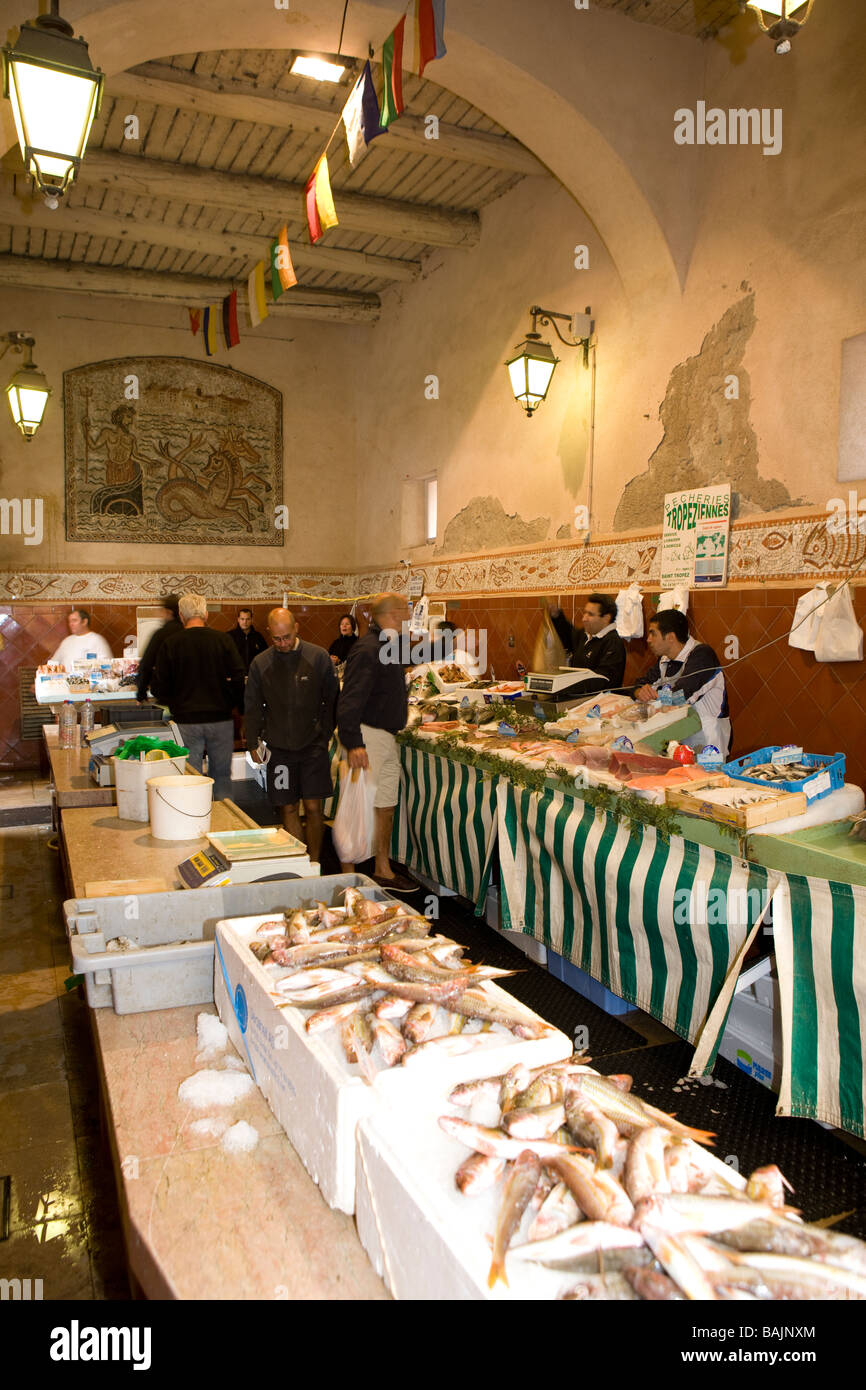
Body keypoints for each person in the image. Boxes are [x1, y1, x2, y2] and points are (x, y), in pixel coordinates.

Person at [337, 592, 418, 893]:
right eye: (406, 610)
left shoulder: (389, 645)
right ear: (392, 614)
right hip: (367, 736)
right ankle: (347, 878)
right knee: (355, 806)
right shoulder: (368, 649)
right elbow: (349, 700)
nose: (409, 615)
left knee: (385, 803)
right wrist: (353, 742)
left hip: (385, 738)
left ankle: (382, 869)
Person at [245, 608, 338, 865]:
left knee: (312, 808)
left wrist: (325, 733)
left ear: (296, 628)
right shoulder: (260, 663)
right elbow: (251, 706)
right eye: (277, 639)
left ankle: (315, 862)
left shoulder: (318, 657)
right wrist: (252, 741)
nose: (283, 643)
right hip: (280, 750)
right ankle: (298, 863)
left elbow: (332, 700)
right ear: (269, 634)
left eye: (286, 637)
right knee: (287, 806)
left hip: (313, 748)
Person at [151, 592, 245, 784]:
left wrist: (175, 704)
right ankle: (223, 811)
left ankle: (195, 813)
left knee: (190, 780)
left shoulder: (172, 643)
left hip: (186, 720)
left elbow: (159, 686)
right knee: (222, 778)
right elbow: (238, 676)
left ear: (182, 616)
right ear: (206, 615)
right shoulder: (223, 640)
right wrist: (234, 705)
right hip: (220, 719)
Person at [633, 608, 731, 758]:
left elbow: (681, 695)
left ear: (671, 637)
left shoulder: (702, 655)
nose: (648, 639)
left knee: (708, 780)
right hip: (680, 736)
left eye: (653, 633)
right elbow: (640, 683)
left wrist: (653, 696)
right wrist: (639, 691)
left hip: (708, 741)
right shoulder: (665, 659)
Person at [545, 593, 626, 695]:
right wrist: (557, 616)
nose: (584, 618)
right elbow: (568, 638)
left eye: (590, 614)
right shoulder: (585, 635)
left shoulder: (613, 643)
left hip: (599, 704)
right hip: (576, 697)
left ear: (606, 618)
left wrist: (566, 684)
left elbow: (603, 680)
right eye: (585, 613)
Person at [136, 594, 182, 702]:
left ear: (169, 612)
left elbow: (146, 665)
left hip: (167, 696)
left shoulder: (161, 634)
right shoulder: (188, 631)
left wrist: (141, 693)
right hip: (190, 696)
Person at [228, 607, 267, 674]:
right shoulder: (230, 636)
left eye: (248, 619)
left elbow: (265, 656)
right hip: (235, 675)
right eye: (242, 619)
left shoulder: (258, 637)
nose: (245, 622)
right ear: (238, 619)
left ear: (251, 620)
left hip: (254, 674)